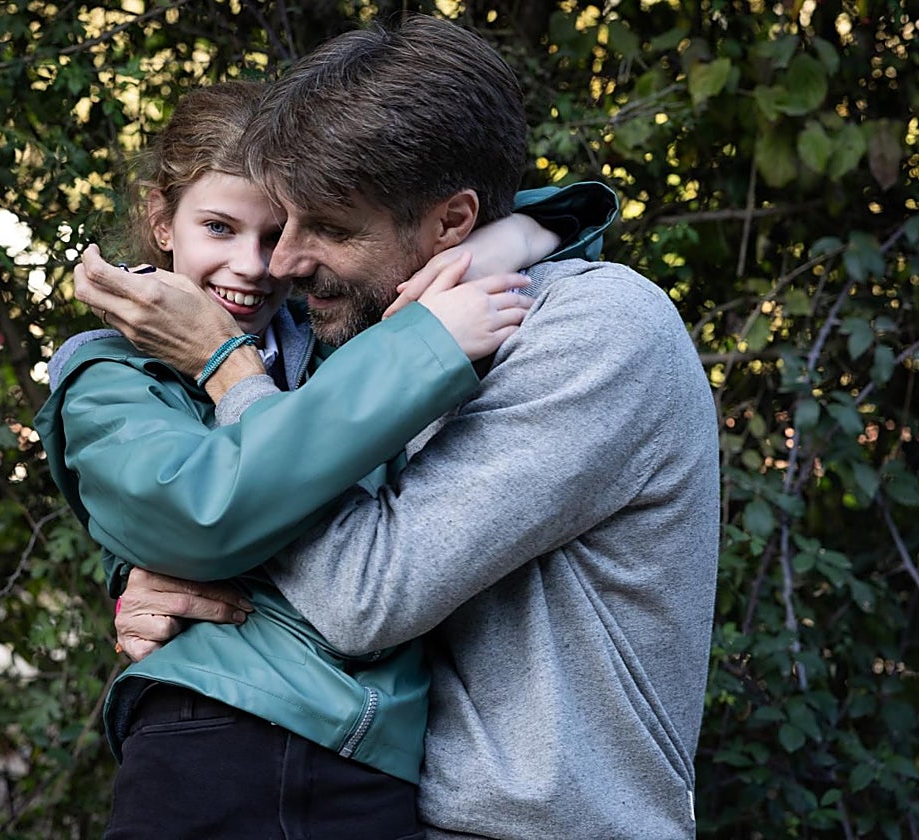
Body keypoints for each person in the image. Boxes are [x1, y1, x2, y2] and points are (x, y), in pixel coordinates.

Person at [74, 14, 717, 840]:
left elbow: (358, 594)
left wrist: (231, 369)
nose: (278, 264)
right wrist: (161, 575)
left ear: (453, 222)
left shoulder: (598, 331)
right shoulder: (377, 336)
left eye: (329, 229)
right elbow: (223, 493)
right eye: (283, 220)